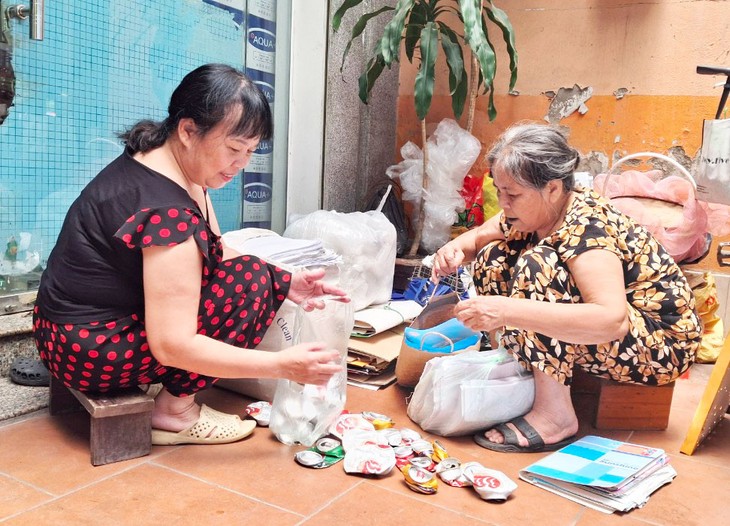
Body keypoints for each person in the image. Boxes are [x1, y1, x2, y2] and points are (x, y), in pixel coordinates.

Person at [33, 63, 348, 446]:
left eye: (250, 151)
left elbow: (217, 251)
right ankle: (176, 412)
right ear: (187, 130)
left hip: (61, 330)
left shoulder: (162, 160)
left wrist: (285, 281)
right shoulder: (167, 212)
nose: (241, 164)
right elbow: (172, 344)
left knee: (254, 274)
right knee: (249, 282)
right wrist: (283, 365)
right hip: (90, 350)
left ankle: (174, 401)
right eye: (234, 148)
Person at [431, 122, 702, 453]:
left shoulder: (586, 227)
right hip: (620, 332)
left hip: (659, 344)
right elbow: (479, 237)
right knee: (495, 254)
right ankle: (520, 376)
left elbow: (611, 320)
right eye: (499, 191)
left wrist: (504, 310)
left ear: (553, 189)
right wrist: (454, 250)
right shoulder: (535, 211)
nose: (503, 203)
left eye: (512, 194)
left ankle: (555, 416)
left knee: (538, 265)